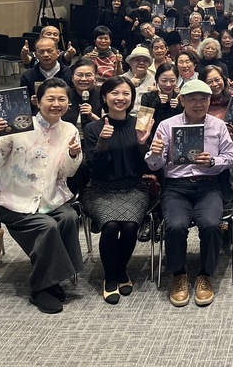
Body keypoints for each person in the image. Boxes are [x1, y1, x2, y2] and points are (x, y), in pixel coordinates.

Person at [0, 78, 83, 313]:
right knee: (47, 227)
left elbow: (68, 172)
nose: (56, 104)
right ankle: (40, 287)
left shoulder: (69, 129)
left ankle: (54, 279)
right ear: (37, 101)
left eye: (62, 99)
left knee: (69, 218)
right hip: (14, 200)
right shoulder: (17, 126)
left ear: (69, 103)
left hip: (49, 197)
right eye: (50, 98)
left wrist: (73, 155)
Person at [145, 79, 233, 307]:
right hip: (177, 187)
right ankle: (179, 275)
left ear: (209, 101)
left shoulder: (218, 126)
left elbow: (231, 157)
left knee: (210, 224)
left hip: (208, 185)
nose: (199, 104)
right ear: (182, 101)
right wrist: (156, 154)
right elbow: (154, 165)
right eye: (193, 99)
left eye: (203, 99)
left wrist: (213, 161)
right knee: (175, 226)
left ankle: (205, 274)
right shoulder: (167, 125)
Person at [82, 76, 153, 304]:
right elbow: (92, 166)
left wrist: (143, 143)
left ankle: (122, 270)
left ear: (132, 98)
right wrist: (102, 142)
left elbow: (148, 165)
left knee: (131, 226)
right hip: (101, 189)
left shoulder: (138, 125)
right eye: (114, 93)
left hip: (133, 188)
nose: (120, 98)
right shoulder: (94, 127)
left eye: (125, 94)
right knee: (111, 226)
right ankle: (109, 276)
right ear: (104, 97)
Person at [21, 37, 73, 103]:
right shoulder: (28, 76)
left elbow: (75, 98)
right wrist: (30, 102)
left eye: (50, 51)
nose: (46, 55)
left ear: (58, 53)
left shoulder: (70, 73)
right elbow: (22, 102)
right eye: (41, 51)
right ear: (36, 55)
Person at [140, 63, 183, 137]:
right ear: (157, 80)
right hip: (152, 137)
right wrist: (157, 102)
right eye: (164, 80)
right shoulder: (147, 97)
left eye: (172, 80)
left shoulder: (181, 99)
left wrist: (179, 107)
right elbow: (143, 123)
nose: (168, 84)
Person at [63, 57, 103, 132]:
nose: (83, 79)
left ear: (95, 78)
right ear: (72, 78)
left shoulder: (102, 97)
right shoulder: (65, 96)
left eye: (88, 75)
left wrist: (92, 116)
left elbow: (108, 126)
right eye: (79, 75)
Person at [121, 46, 155, 117]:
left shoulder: (154, 80)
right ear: (130, 62)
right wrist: (128, 85)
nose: (141, 63)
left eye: (145, 61)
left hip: (146, 121)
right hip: (124, 119)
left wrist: (156, 93)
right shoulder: (120, 80)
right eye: (137, 60)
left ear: (149, 64)